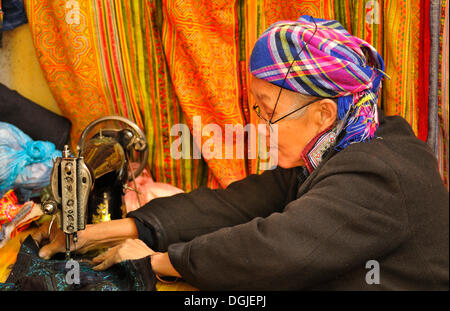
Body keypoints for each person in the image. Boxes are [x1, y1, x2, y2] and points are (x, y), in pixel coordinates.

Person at [32, 16, 449, 290]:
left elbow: (276, 249)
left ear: (324, 113)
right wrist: (119, 229)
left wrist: (158, 261)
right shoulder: (339, 150)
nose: (261, 127)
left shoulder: (379, 175)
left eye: (269, 111)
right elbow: (235, 205)